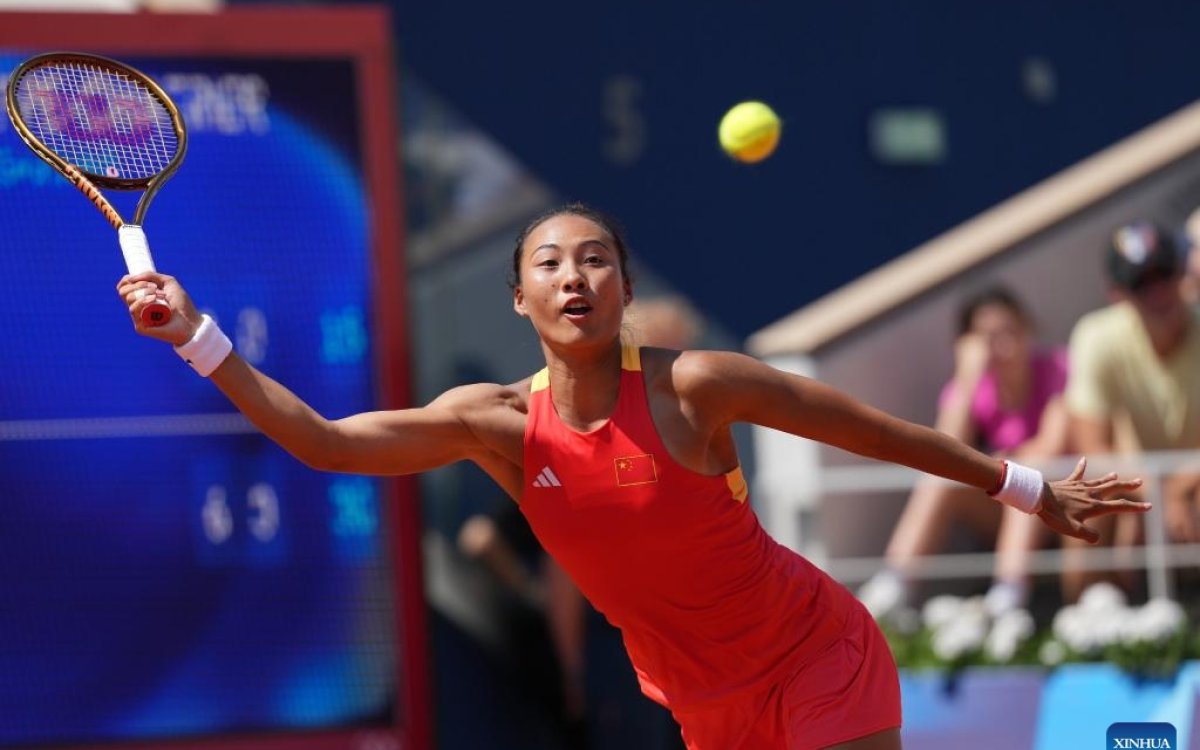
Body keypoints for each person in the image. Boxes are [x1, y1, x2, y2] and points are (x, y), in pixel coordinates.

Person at [118, 203, 1146, 750]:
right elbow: (326, 442)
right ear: (519, 298)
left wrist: (1022, 487)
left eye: (597, 259)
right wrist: (195, 337)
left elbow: (872, 431)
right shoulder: (496, 427)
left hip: (817, 654)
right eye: (552, 263)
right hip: (706, 704)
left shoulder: (697, 386)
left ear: (625, 287)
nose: (576, 276)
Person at [857, 287, 1070, 619]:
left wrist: (1005, 465)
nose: (1004, 346)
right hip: (999, 509)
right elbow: (941, 448)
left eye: (1010, 332)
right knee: (941, 478)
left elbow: (1053, 445)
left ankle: (1008, 594)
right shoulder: (970, 387)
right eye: (989, 338)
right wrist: (968, 377)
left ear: (1027, 328)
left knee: (1024, 473)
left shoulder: (1057, 368)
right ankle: (894, 585)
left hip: (1053, 508)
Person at [1064, 220, 1200, 600]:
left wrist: (1179, 489)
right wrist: (1158, 491)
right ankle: (1091, 620)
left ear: (1182, 273)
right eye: (1142, 282)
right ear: (1117, 293)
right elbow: (1091, 450)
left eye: (1164, 274)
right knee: (1089, 502)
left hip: (1178, 486)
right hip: (1144, 487)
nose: (1157, 291)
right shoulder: (1096, 337)